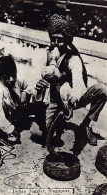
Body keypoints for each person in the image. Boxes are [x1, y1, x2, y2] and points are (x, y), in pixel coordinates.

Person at [38, 14, 107, 147]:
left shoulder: (73, 59)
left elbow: (79, 83)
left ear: (68, 40)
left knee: (103, 90)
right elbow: (36, 79)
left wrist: (73, 99)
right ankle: (58, 120)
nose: (56, 44)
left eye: (60, 40)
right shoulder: (44, 55)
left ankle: (85, 126)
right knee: (39, 134)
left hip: (71, 99)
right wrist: (38, 86)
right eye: (53, 39)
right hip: (52, 100)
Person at [0, 56, 48, 144]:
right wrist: (10, 129)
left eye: (13, 75)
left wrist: (25, 92)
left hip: (17, 116)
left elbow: (29, 86)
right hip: (4, 121)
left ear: (16, 71)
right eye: (6, 77)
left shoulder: (17, 81)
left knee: (38, 133)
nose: (11, 79)